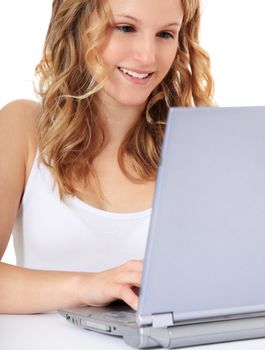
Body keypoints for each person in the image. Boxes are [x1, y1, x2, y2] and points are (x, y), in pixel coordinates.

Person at [0, 0, 214, 314]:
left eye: (166, 34)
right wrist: (90, 286)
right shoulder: (23, 127)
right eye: (125, 28)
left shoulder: (198, 146)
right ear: (78, 26)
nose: (147, 56)